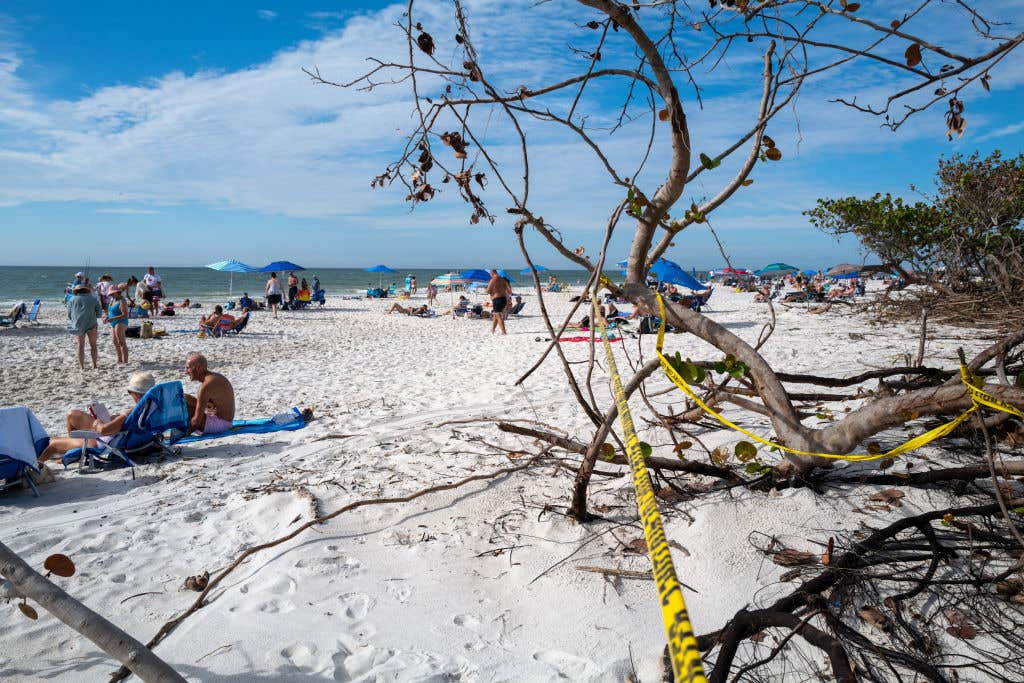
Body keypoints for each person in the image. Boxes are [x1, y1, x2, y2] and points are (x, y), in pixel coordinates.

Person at [38, 371, 156, 463]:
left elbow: (103, 430)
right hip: (126, 437)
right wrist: (116, 418)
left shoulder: (132, 412)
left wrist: (97, 423)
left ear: (136, 394)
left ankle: (36, 466)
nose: (130, 394)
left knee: (51, 444)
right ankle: (73, 451)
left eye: (129, 392)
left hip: (103, 443)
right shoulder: (154, 407)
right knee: (72, 415)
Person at [183, 353, 235, 435]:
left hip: (220, 424)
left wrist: (183, 433)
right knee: (182, 397)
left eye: (188, 368)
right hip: (225, 420)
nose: (186, 371)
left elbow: (196, 422)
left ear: (199, 368)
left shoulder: (205, 387)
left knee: (183, 405)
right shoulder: (213, 377)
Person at [67, 283, 103, 369]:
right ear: (86, 290)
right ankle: (94, 365)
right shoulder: (93, 299)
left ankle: (81, 366)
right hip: (92, 324)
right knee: (93, 345)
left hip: (78, 325)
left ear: (76, 291)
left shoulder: (72, 299)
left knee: (80, 346)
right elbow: (99, 314)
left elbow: (69, 314)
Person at [108, 285, 129, 364]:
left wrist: (112, 318)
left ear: (117, 292)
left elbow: (125, 314)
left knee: (121, 342)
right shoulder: (112, 300)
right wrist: (107, 317)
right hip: (113, 322)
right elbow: (111, 311)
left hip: (121, 321)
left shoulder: (122, 301)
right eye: (110, 294)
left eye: (112, 294)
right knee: (115, 341)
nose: (111, 295)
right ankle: (119, 359)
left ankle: (125, 361)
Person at [486, 269, 511, 335]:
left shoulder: (493, 280)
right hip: (504, 299)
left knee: (498, 315)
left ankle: (503, 332)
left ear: (492, 273)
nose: (490, 276)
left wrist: (492, 292)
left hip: (497, 299)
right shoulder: (504, 279)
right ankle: (492, 330)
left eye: (490, 275)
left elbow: (488, 290)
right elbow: (509, 291)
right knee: (495, 316)